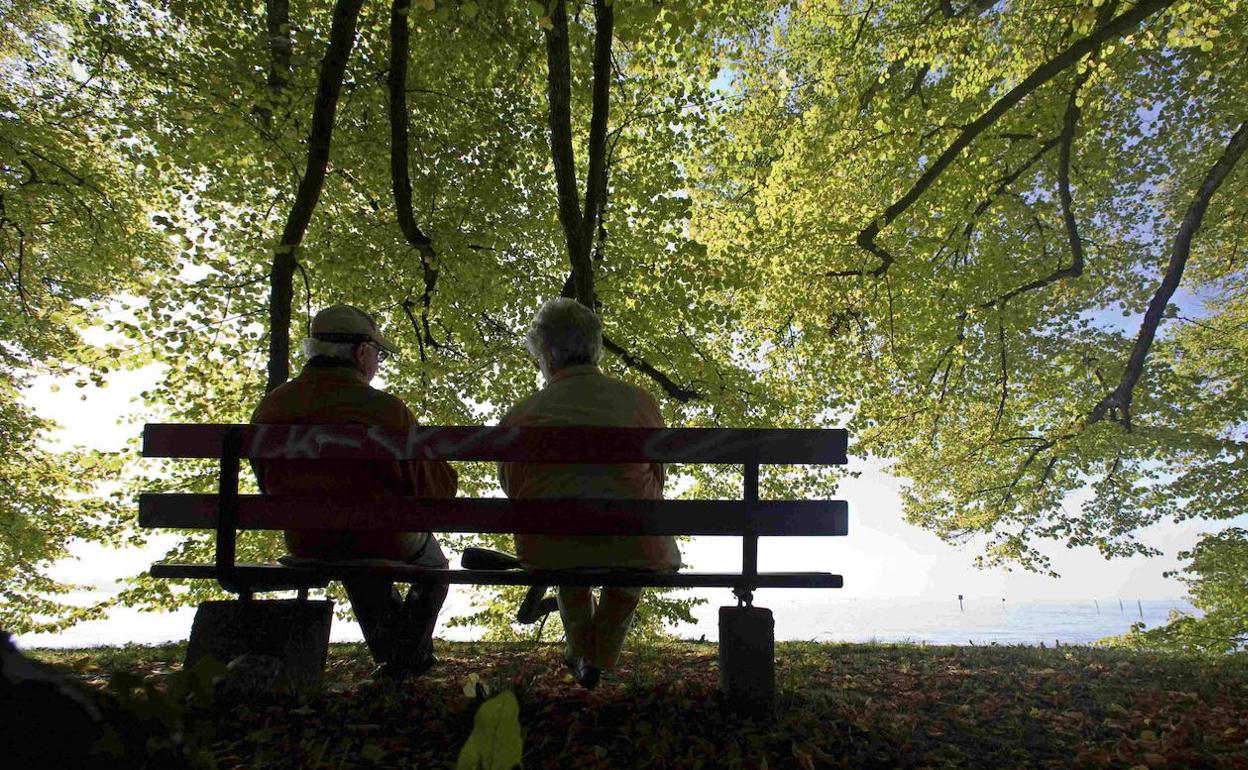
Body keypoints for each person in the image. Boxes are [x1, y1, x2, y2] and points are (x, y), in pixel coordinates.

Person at [251, 304, 457, 680]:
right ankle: (406, 662)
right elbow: (437, 492)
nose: (377, 360)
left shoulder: (273, 405)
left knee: (354, 558)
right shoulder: (383, 409)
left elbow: (266, 481)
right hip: (382, 539)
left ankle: (401, 662)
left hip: (306, 541)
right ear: (361, 352)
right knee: (433, 568)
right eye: (377, 353)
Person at [498, 298, 681, 689]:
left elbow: (515, 491)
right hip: (636, 545)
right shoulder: (639, 402)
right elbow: (656, 479)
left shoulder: (523, 413)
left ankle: (584, 654)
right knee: (635, 554)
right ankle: (595, 657)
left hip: (549, 548)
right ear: (596, 348)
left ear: (547, 355)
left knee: (566, 561)